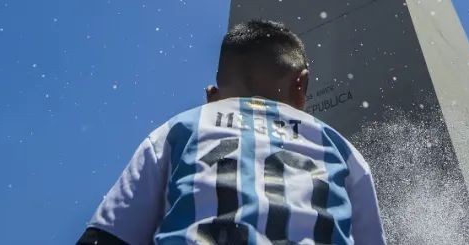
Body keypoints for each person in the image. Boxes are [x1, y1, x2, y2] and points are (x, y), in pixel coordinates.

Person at [77, 19, 386, 245]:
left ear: (213, 95)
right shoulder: (341, 149)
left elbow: (105, 238)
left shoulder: (180, 130)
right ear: (301, 84)